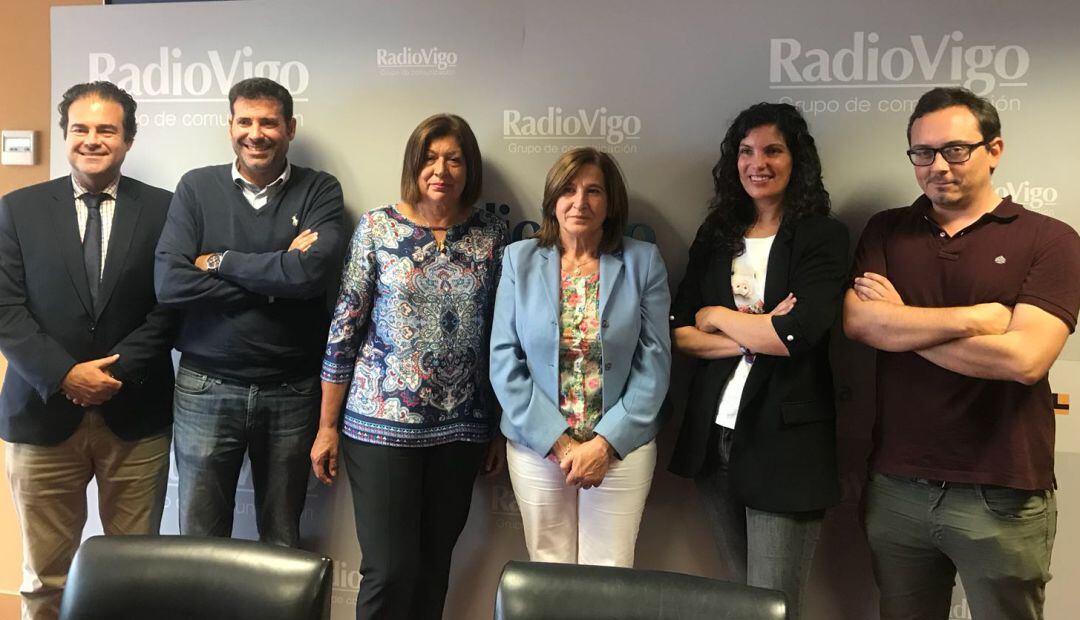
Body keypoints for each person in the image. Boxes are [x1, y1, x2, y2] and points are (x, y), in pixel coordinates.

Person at [844, 87, 1080, 620]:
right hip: (898, 485)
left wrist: (900, 324)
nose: (938, 166)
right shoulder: (886, 229)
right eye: (923, 153)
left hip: (1002, 492)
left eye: (955, 150)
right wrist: (975, 318)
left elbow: (1024, 360)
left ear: (994, 150)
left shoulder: (1050, 239)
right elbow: (860, 322)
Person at [311, 113, 506, 620]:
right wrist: (327, 426)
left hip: (462, 428)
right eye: (430, 158)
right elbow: (345, 327)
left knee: (433, 566)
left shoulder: (492, 235)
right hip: (381, 425)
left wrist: (497, 428)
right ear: (413, 165)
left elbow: (501, 337)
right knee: (390, 569)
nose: (441, 170)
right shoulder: (377, 227)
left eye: (454, 159)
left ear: (469, 168)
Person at [0, 82, 176, 620]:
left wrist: (111, 374)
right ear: (65, 135)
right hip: (41, 414)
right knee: (45, 577)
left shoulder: (166, 209)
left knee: (133, 575)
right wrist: (65, 374)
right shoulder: (18, 210)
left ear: (128, 140)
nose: (92, 140)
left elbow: (172, 306)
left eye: (107, 130)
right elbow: (6, 308)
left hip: (136, 416)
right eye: (80, 128)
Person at [668, 102, 848, 619]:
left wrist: (718, 317)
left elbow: (796, 335)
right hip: (715, 438)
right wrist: (753, 328)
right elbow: (682, 333)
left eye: (773, 150)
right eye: (746, 152)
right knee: (741, 602)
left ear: (797, 160)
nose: (757, 163)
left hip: (785, 443)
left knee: (774, 607)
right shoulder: (717, 233)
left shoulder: (821, 236)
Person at [154, 77, 345, 546]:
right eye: (245, 121)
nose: (255, 134)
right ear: (230, 126)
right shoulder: (196, 187)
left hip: (292, 390)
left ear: (290, 128)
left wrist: (219, 261)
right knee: (200, 541)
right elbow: (170, 283)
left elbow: (309, 275)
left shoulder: (319, 189)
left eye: (269, 123)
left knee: (282, 540)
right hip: (205, 387)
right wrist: (277, 277)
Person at [490, 147, 671, 567]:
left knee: (609, 574)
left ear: (611, 202)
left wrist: (604, 445)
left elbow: (655, 363)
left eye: (594, 191)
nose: (579, 202)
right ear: (553, 198)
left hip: (620, 448)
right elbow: (503, 358)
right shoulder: (520, 259)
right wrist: (558, 441)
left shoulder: (643, 262)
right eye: (568, 189)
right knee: (548, 569)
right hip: (538, 447)